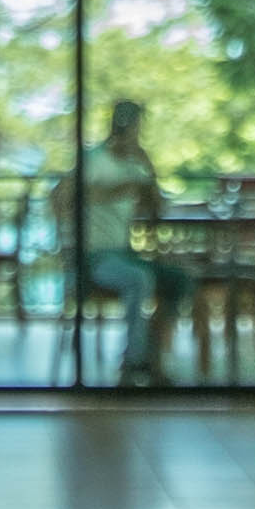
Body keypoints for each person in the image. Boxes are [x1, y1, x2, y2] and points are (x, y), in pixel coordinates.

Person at [74, 96, 196, 383]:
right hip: (95, 257)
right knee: (139, 279)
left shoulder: (136, 164)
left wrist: (149, 172)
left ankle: (153, 356)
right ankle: (133, 361)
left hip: (126, 253)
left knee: (179, 280)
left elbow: (157, 209)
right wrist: (125, 186)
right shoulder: (94, 160)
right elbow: (77, 197)